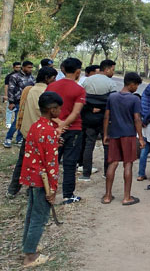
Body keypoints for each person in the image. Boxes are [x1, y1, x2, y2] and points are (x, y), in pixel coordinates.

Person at [19, 92, 62, 268]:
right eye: (59, 108)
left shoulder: (37, 126)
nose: (60, 111)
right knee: (39, 217)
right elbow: (51, 163)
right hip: (43, 180)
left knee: (31, 213)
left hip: (32, 176)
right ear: (52, 110)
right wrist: (52, 189)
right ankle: (30, 256)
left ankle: (28, 245)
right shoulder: (49, 131)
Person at [6, 67, 58, 199]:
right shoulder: (45, 92)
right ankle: (30, 189)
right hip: (38, 133)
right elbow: (43, 111)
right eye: (53, 78)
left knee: (24, 160)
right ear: (47, 78)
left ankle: (14, 189)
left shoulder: (29, 89)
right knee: (39, 163)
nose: (55, 80)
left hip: (27, 131)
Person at [46, 58, 85, 204]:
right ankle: (68, 195)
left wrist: (58, 123)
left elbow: (45, 109)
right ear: (78, 71)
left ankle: (47, 191)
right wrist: (64, 125)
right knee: (70, 163)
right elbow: (75, 113)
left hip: (52, 128)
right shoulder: (79, 89)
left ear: (62, 69)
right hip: (73, 129)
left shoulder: (51, 87)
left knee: (51, 160)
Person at [103, 72, 145, 205]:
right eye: (137, 85)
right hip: (129, 135)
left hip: (114, 134)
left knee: (113, 163)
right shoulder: (134, 99)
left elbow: (106, 117)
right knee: (128, 163)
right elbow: (137, 119)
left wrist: (105, 134)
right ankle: (127, 197)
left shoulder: (112, 97)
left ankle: (107, 196)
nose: (137, 88)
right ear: (132, 84)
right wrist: (141, 138)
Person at [78, 59, 116, 181]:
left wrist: (91, 107)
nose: (113, 72)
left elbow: (81, 98)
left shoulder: (87, 81)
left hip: (88, 117)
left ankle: (86, 174)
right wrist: (101, 107)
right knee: (107, 145)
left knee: (89, 144)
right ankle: (106, 172)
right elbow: (113, 101)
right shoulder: (111, 83)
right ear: (108, 69)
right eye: (113, 69)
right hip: (105, 118)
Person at [4, 60, 34, 148]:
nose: (30, 69)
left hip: (28, 102)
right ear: (23, 67)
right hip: (18, 102)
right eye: (29, 67)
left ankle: (19, 139)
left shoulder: (31, 77)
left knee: (24, 121)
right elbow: (11, 90)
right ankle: (8, 138)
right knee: (17, 121)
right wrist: (11, 102)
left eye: (31, 68)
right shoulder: (14, 77)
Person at [4, 62, 21, 128]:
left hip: (19, 95)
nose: (18, 69)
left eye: (19, 67)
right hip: (11, 95)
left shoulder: (22, 75)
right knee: (9, 109)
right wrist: (6, 95)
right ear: (13, 67)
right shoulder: (9, 76)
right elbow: (6, 86)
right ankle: (8, 123)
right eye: (17, 67)